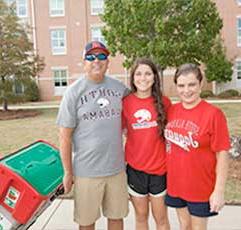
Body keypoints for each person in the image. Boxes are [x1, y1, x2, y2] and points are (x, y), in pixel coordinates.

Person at [56, 41, 129, 230]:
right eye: (91, 57)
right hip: (86, 172)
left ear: (108, 61)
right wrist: (67, 172)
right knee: (86, 222)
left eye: (102, 56)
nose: (96, 61)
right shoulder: (73, 93)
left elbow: (138, 109)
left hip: (116, 170)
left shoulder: (120, 89)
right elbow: (64, 137)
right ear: (84, 62)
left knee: (116, 217)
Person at [164, 63, 230, 230]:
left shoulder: (213, 114)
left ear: (200, 84)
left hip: (200, 186)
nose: (186, 90)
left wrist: (219, 191)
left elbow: (222, 154)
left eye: (191, 84)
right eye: (181, 85)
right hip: (176, 184)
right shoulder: (172, 110)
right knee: (184, 226)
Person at [122, 58, 171, 230]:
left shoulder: (164, 103)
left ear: (154, 77)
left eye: (148, 73)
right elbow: (116, 133)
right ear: (133, 78)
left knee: (161, 219)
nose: (143, 78)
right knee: (141, 217)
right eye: (139, 74)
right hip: (136, 170)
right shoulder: (126, 103)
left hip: (160, 170)